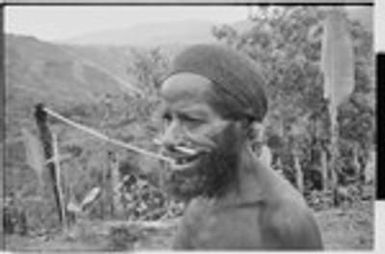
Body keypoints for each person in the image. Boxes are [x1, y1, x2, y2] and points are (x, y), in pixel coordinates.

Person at [158, 44, 323, 250]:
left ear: (249, 129)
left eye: (192, 120)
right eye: (167, 119)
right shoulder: (205, 193)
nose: (168, 139)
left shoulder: (283, 220)